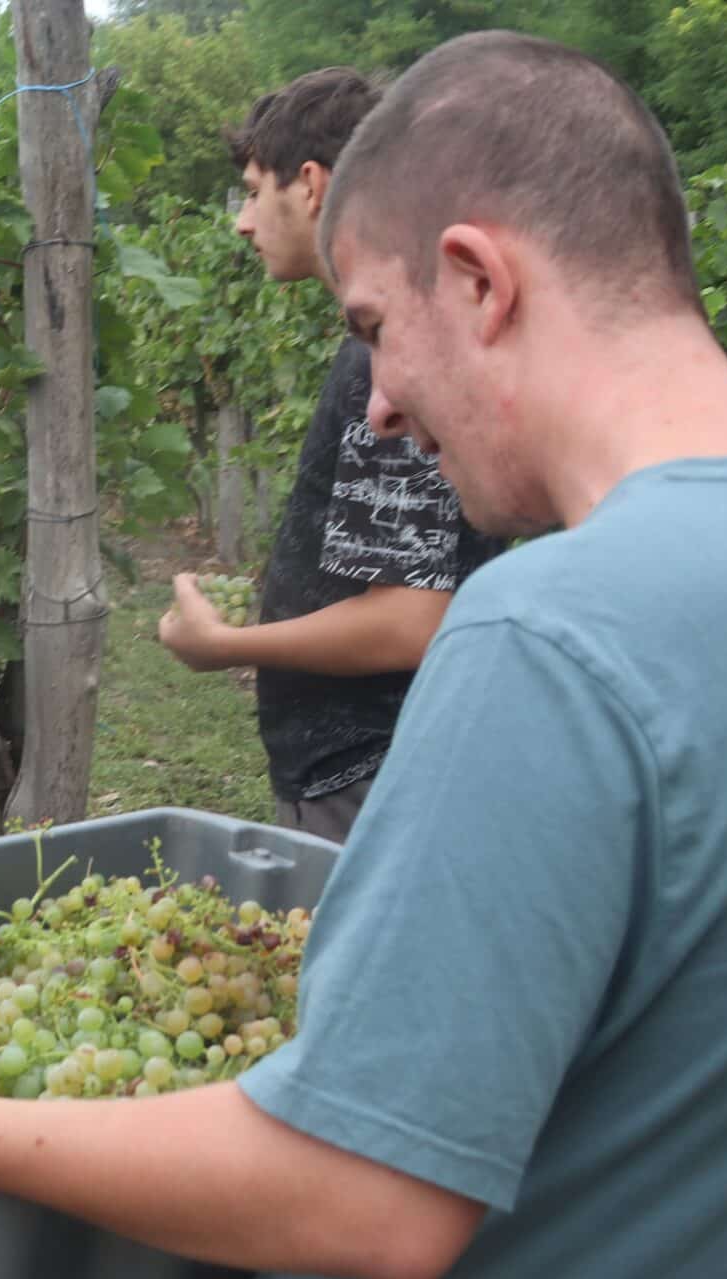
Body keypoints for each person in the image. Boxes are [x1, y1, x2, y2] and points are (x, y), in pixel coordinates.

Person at [0, 29, 727, 1279]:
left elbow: (371, 1191)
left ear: (477, 281)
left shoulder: (546, 637)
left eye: (372, 326)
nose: (376, 403)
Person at [153, 66, 504, 844]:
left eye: (253, 192)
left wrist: (226, 646)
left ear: (311, 185)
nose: (242, 223)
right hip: (370, 768)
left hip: (371, 776)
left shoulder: (393, 358)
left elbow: (413, 618)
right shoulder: (392, 338)